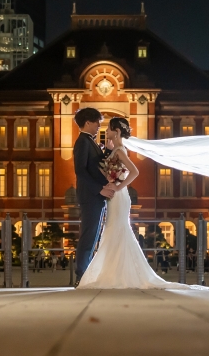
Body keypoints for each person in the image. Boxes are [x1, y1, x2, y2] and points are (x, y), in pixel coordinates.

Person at [77, 117, 207, 290]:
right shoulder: (115, 149)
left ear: (116, 132)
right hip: (116, 196)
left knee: (116, 230)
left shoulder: (120, 150)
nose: (105, 131)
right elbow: (113, 170)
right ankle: (116, 273)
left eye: (108, 129)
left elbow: (135, 171)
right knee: (114, 230)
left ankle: (116, 274)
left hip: (118, 195)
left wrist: (118, 187)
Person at [72, 107, 114, 287]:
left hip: (94, 196)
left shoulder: (90, 142)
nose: (99, 126)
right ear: (88, 122)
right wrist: (99, 189)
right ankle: (81, 275)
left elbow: (95, 165)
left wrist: (108, 151)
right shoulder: (83, 142)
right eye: (97, 122)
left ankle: (85, 275)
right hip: (90, 195)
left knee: (93, 235)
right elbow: (80, 170)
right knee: (89, 236)